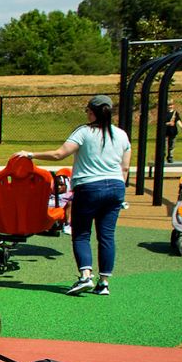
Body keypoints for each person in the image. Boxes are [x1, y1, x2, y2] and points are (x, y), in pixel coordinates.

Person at [19, 94, 130, 297]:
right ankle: (103, 282)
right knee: (107, 236)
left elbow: (59, 154)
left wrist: (31, 154)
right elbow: (125, 167)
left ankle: (85, 275)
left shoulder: (84, 132)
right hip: (116, 187)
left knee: (81, 233)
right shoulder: (121, 135)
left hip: (89, 187)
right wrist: (119, 190)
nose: (86, 113)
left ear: (92, 112)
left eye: (87, 110)